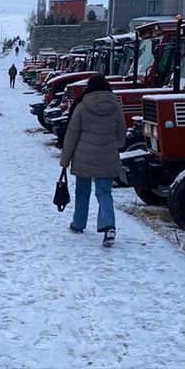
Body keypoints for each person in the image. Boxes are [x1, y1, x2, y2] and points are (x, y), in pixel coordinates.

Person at [59, 74, 125, 247]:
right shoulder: (115, 105)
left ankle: (78, 223)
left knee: (82, 191)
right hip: (108, 156)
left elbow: (72, 135)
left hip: (84, 156)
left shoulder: (82, 106)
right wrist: (112, 144)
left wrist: (65, 160)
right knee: (104, 192)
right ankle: (109, 226)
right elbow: (121, 135)